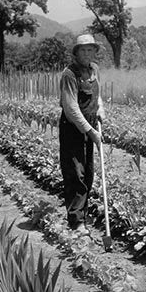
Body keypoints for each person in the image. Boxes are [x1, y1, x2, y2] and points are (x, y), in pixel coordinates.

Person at [58, 33, 105, 231]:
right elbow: (70, 108)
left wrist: (100, 108)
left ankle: (82, 215)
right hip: (73, 128)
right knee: (75, 174)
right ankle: (76, 222)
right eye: (83, 50)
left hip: (91, 126)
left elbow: (98, 95)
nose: (87, 53)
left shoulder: (94, 69)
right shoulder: (69, 74)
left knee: (88, 174)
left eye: (90, 50)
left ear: (95, 52)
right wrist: (90, 131)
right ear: (76, 53)